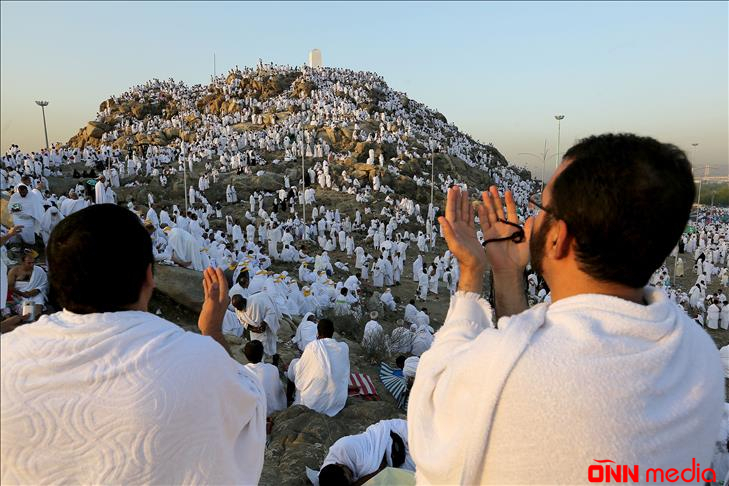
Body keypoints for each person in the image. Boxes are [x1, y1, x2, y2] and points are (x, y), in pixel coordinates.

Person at [408, 134, 723, 484]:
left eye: (541, 209)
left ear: (559, 237)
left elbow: (430, 419)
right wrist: (507, 272)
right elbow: (534, 349)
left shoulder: (503, 373)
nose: (529, 223)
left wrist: (470, 273)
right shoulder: (698, 354)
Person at [0, 204, 266, 484]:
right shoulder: (199, 360)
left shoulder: (6, 356)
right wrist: (211, 331)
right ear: (149, 276)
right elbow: (246, 408)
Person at [318, 419, 415, 486]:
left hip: (392, 435)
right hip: (394, 459)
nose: (352, 479)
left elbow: (379, 468)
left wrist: (360, 482)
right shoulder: (328, 477)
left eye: (349, 476)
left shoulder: (347, 448)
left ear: (339, 465)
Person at [286, 318, 349, 417]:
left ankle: (288, 400)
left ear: (318, 332)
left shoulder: (313, 346)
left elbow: (300, 369)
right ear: (332, 332)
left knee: (294, 364)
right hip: (337, 401)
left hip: (313, 403)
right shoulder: (344, 347)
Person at [244, 340, 287, 416]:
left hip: (256, 414)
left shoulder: (242, 371)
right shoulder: (273, 369)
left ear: (245, 355)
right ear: (262, 353)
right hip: (275, 411)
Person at [7, 250, 48, 318]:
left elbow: (44, 283)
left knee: (37, 308)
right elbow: (10, 287)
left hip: (35, 293)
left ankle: (37, 316)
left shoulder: (39, 270)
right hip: (20, 294)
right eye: (29, 263)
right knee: (29, 314)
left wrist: (37, 290)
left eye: (33, 262)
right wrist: (22, 294)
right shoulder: (14, 271)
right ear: (22, 262)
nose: (32, 265)